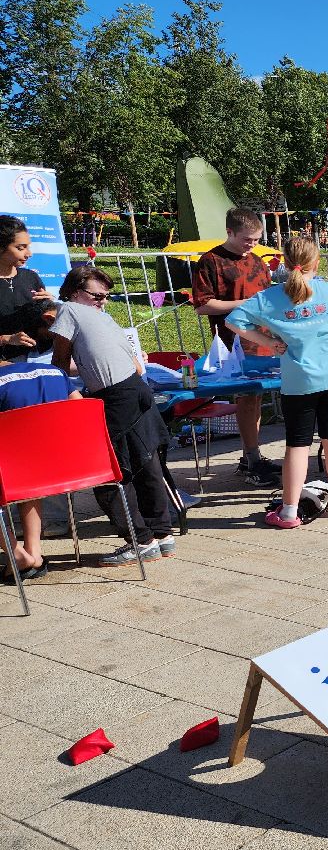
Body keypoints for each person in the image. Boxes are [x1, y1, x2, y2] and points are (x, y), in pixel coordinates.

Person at [226, 235, 328, 528]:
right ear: (317, 262)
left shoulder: (269, 297)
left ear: (285, 263)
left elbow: (233, 321)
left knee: (297, 444)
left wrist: (269, 342)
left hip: (298, 379)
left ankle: (288, 511)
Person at [49, 267, 177, 566]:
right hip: (136, 389)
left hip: (118, 395)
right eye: (96, 296)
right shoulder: (102, 318)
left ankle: (141, 541)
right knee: (146, 464)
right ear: (75, 291)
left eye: (105, 297)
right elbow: (134, 366)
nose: (102, 302)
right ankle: (162, 535)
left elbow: (59, 363)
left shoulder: (68, 309)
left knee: (108, 473)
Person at [191, 208, 282, 487]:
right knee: (245, 398)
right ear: (229, 232)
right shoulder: (211, 261)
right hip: (234, 344)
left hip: (263, 340)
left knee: (256, 397)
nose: (252, 245)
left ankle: (250, 455)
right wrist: (245, 304)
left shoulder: (258, 262)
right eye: (247, 239)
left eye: (256, 240)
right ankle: (252, 458)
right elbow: (203, 305)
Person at [0, 356, 81, 580]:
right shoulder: (54, 371)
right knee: (27, 474)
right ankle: (34, 553)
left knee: (21, 469)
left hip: (16, 470)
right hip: (67, 465)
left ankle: (17, 555)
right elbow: (81, 408)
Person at [0, 216, 56, 361]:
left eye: (28, 247)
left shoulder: (31, 277)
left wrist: (50, 308)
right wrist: (6, 339)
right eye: (20, 248)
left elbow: (42, 325)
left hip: (40, 355)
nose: (29, 254)